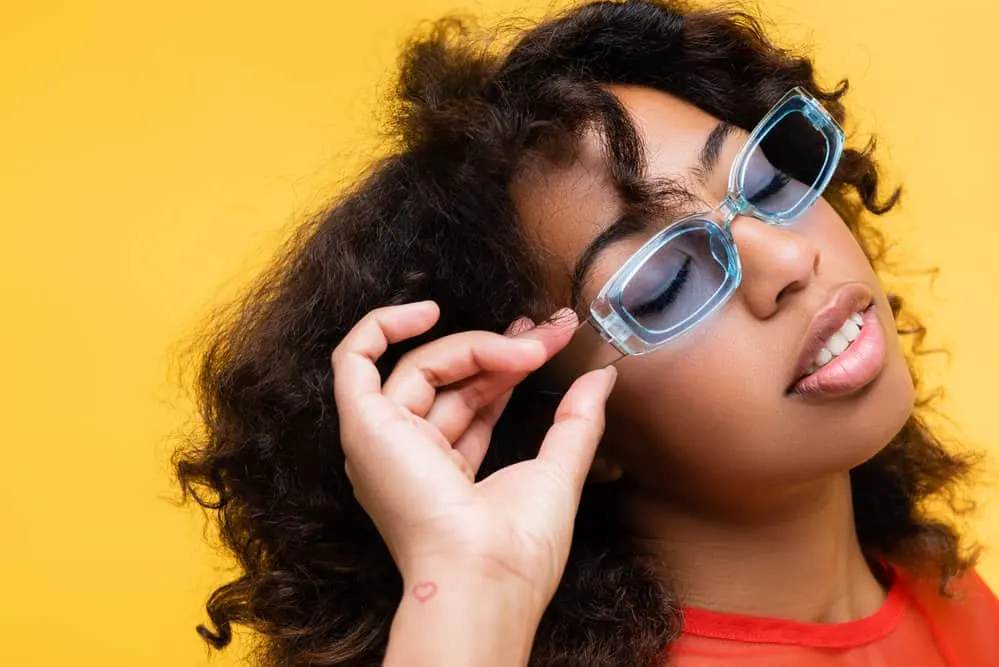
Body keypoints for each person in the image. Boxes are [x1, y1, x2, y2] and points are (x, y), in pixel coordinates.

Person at [173, 1, 999, 664]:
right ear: (563, 418)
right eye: (667, 280)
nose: (784, 257)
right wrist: (469, 588)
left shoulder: (939, 587)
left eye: (765, 178)